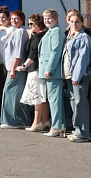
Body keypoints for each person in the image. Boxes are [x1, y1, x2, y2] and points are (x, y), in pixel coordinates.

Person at [17, 13, 50, 132]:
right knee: (43, 96)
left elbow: (33, 54)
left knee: (37, 96)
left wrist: (24, 66)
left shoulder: (37, 36)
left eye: (31, 23)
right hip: (40, 69)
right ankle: (45, 120)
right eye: (29, 23)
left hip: (35, 69)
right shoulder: (43, 35)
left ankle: (36, 122)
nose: (29, 25)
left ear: (38, 24)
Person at [63, 12, 91, 142]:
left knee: (81, 103)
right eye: (72, 21)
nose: (74, 24)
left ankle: (83, 132)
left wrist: (77, 76)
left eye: (77, 22)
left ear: (82, 24)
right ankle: (77, 129)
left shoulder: (84, 37)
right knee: (74, 101)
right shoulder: (70, 37)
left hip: (79, 76)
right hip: (69, 75)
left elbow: (83, 59)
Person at [39, 9, 66, 137]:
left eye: (49, 18)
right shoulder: (50, 31)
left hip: (53, 72)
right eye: (45, 18)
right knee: (53, 99)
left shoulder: (56, 32)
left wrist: (49, 69)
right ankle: (59, 125)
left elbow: (55, 52)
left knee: (54, 100)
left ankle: (57, 126)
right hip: (49, 72)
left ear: (56, 18)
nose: (47, 21)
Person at [0, 9, 29, 128]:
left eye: (16, 18)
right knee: (16, 94)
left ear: (22, 20)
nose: (14, 20)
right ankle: (21, 120)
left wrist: (12, 69)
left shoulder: (20, 32)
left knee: (10, 93)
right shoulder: (15, 31)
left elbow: (18, 53)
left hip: (16, 68)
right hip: (12, 67)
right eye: (12, 18)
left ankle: (10, 121)